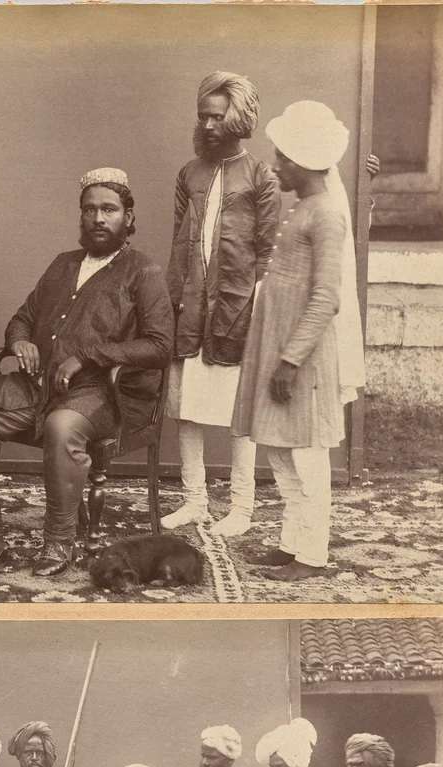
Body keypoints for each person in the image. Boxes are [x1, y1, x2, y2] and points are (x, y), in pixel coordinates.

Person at [0, 166, 174, 580]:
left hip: (109, 394)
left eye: (109, 209)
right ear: (81, 216)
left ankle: (59, 541)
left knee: (62, 427)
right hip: (47, 387)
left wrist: (92, 356)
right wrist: (20, 340)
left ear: (128, 217)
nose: (98, 218)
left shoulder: (143, 272)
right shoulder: (62, 264)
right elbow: (23, 317)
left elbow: (161, 345)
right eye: (89, 209)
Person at [233, 101, 365, 581]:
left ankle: (312, 555)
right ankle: (291, 543)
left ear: (307, 162)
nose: (275, 166)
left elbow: (326, 297)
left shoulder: (327, 214)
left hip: (303, 360)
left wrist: (290, 360)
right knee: (280, 451)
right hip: (278, 351)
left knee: (307, 458)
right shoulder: (302, 207)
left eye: (283, 158)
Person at [163, 71, 280, 535]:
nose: (209, 125)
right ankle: (194, 500)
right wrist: (173, 301)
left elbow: (267, 253)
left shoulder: (261, 175)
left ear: (239, 119)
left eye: (219, 116)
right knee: (188, 405)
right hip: (189, 306)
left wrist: (255, 307)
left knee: (238, 411)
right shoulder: (188, 174)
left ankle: (243, 508)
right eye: (204, 116)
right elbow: (179, 243)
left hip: (238, 308)